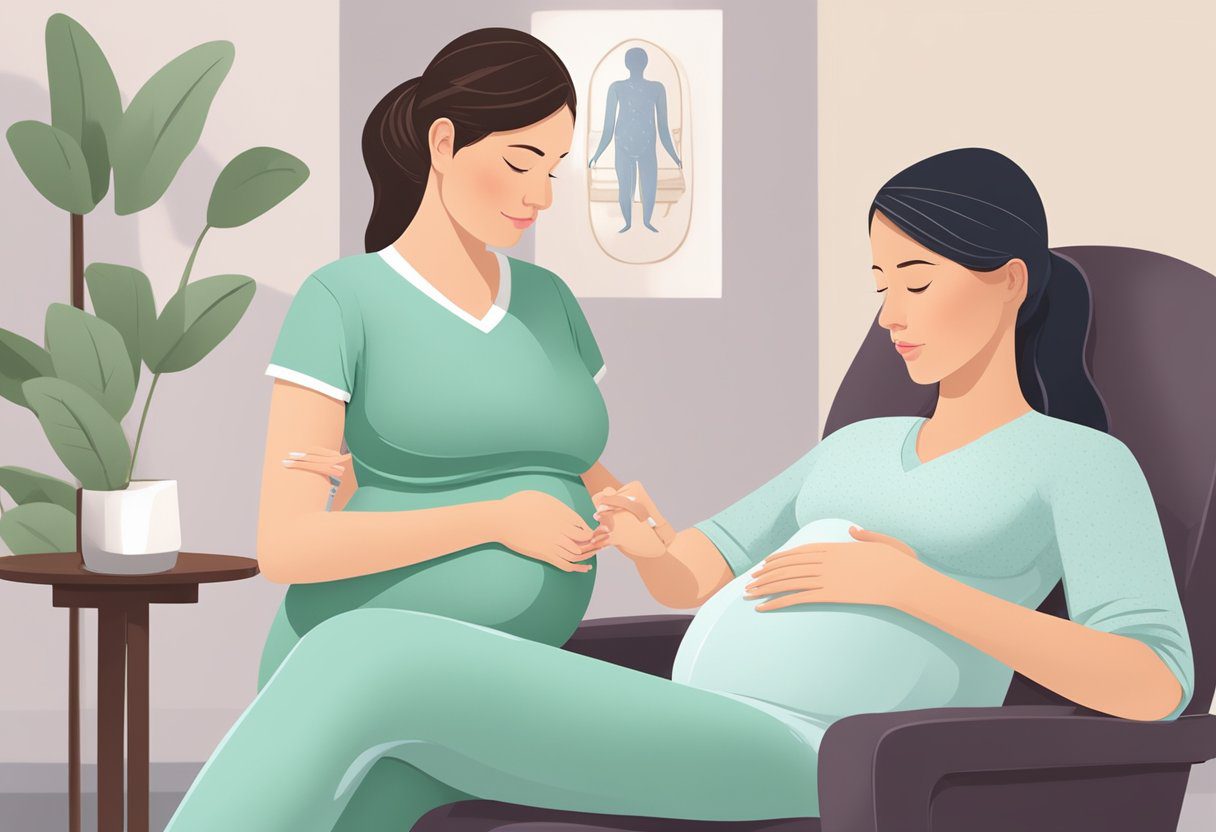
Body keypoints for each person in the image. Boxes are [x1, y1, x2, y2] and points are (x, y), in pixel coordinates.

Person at [162, 148, 1194, 832]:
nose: (891, 314)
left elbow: (1154, 682)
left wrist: (914, 589)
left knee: (365, 652)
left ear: (1008, 280)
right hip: (693, 716)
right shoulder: (859, 445)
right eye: (879, 285)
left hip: (824, 751)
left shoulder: (1075, 462)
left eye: (915, 281)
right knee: (394, 773)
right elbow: (695, 571)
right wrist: (649, 538)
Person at [251, 27, 619, 830]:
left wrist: (632, 520)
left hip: (500, 674)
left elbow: (579, 467)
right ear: (443, 143)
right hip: (356, 666)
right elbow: (286, 548)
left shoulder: (550, 300)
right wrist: (495, 521)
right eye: (522, 162)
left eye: (554, 170)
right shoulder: (342, 301)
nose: (541, 195)